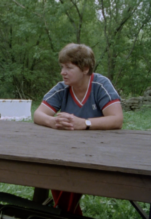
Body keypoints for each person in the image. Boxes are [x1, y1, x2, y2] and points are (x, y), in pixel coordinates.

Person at [33, 43, 123, 215]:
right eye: (61, 67)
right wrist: (52, 122)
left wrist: (85, 123)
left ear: (85, 68)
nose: (62, 72)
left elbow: (117, 119)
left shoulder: (101, 84)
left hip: (101, 152)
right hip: (67, 151)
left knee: (69, 175)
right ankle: (64, 214)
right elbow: (38, 114)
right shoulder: (62, 88)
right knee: (53, 169)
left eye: (68, 67)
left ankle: (59, 213)